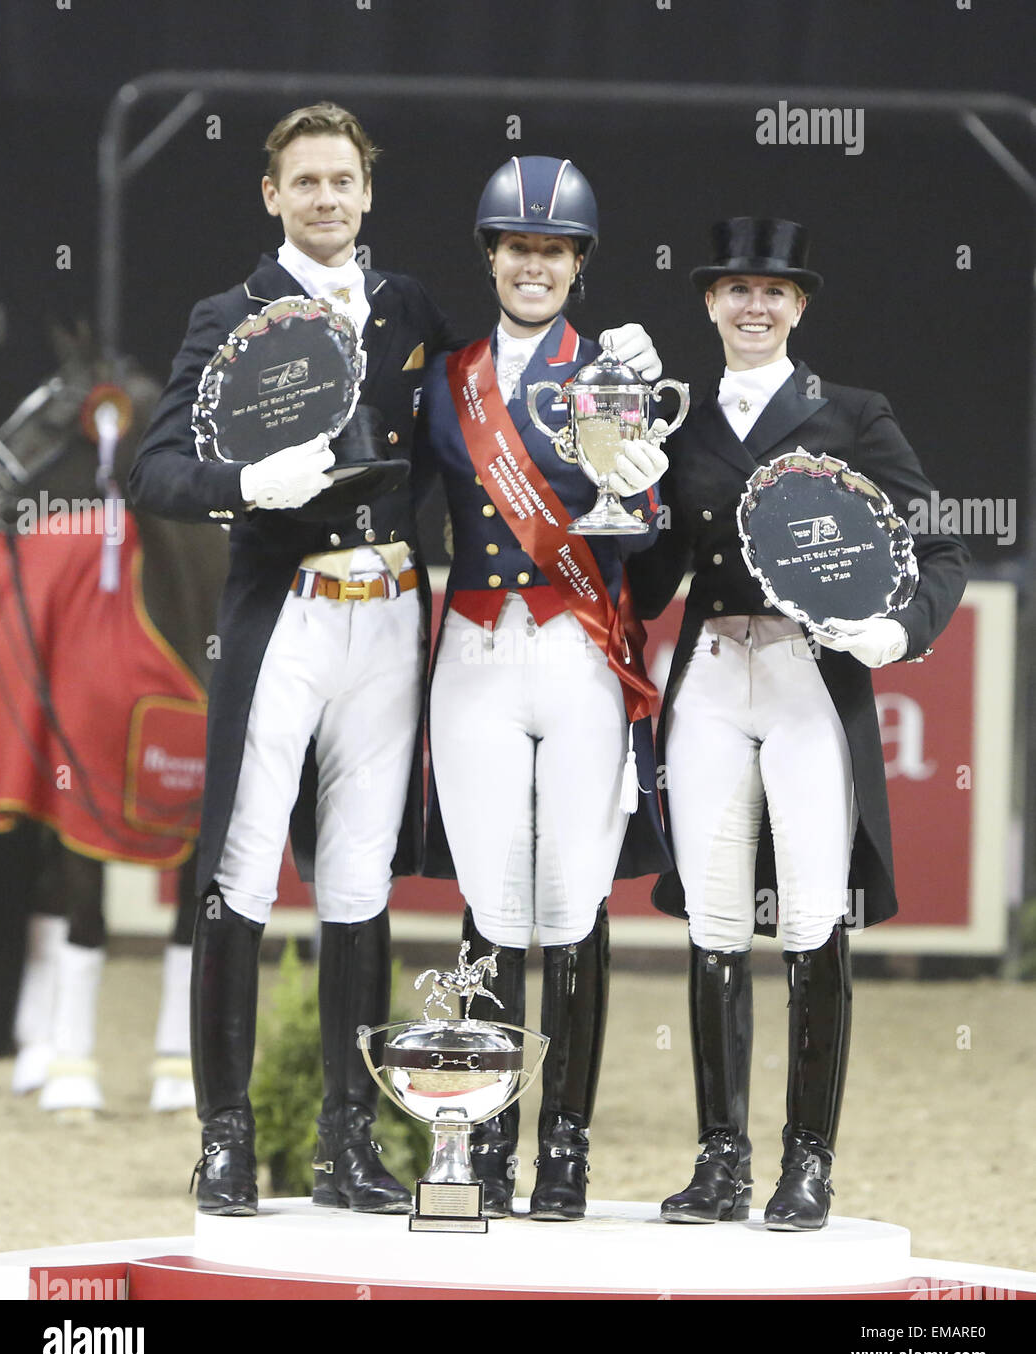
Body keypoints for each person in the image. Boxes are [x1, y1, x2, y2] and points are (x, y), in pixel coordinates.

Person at [130, 102, 464, 1216]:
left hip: (389, 620)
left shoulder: (409, 307)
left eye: (343, 180)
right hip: (287, 613)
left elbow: (472, 429)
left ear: (367, 193)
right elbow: (155, 467)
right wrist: (241, 487)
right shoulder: (230, 314)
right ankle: (225, 1139)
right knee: (238, 868)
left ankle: (346, 1142)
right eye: (305, 181)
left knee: (360, 882)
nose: (326, 197)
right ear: (270, 195)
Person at [628, 218, 969, 1231]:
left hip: (807, 681)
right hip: (709, 682)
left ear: (798, 307)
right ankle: (719, 1159)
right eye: (734, 290)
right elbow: (651, 589)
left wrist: (896, 628)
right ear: (707, 303)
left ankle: (806, 1163)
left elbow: (937, 546)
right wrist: (625, 491)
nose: (752, 306)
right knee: (717, 923)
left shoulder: (852, 415)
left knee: (813, 917)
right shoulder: (679, 428)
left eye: (772, 292)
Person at [414, 156, 672, 1220]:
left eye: (551, 250)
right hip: (474, 647)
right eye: (515, 247)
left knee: (571, 902)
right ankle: (475, 1139)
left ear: (575, 263)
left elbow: (642, 528)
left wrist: (643, 458)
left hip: (573, 650)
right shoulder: (445, 377)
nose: (533, 264)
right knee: (487, 900)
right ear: (491, 256)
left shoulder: (606, 371)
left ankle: (563, 1147)